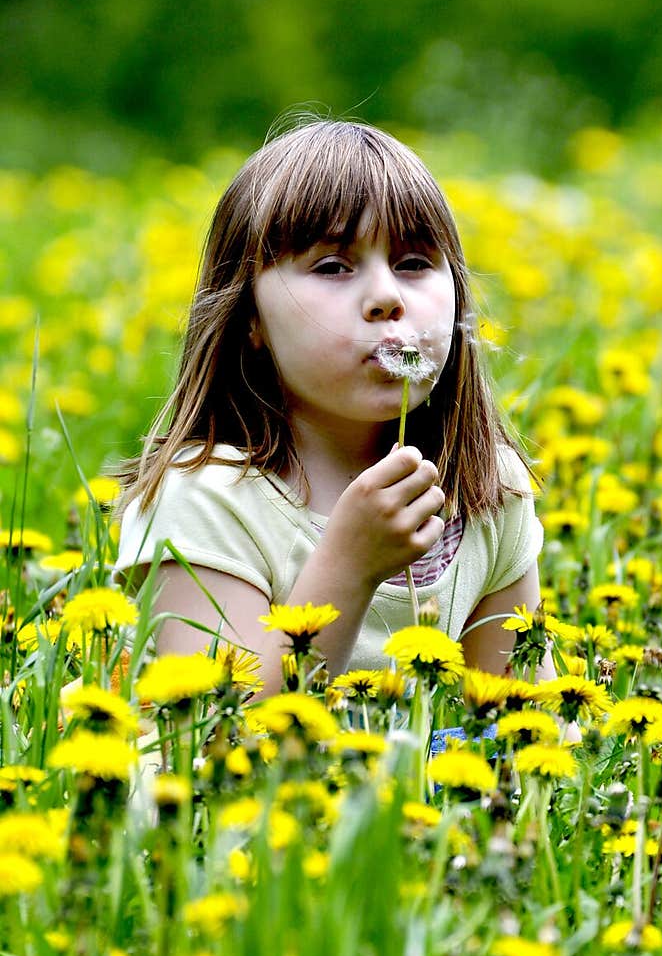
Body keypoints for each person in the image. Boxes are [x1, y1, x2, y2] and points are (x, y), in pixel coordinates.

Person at [114, 118, 556, 696]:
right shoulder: (206, 497)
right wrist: (349, 563)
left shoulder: (488, 490)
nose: (386, 298)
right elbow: (219, 736)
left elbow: (526, 715)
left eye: (414, 263)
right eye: (333, 267)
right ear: (250, 319)